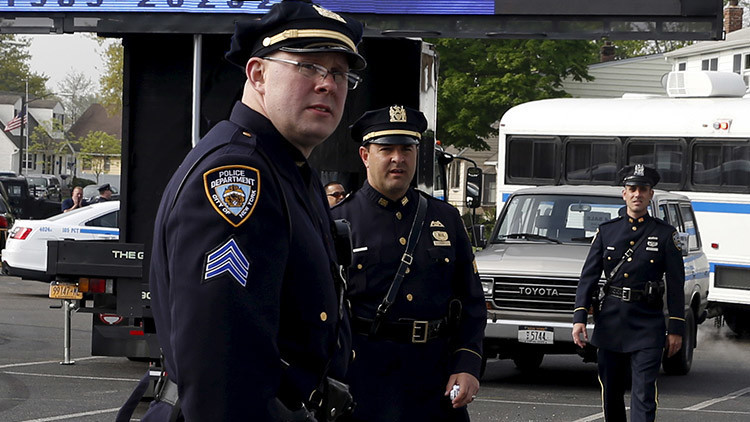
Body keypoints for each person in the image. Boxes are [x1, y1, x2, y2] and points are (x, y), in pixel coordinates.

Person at [133, 1, 365, 420]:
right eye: (309, 66)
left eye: (340, 73)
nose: (328, 84)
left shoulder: (289, 169)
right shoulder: (238, 173)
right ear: (258, 74)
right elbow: (221, 368)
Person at [331, 105, 486, 421]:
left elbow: (471, 300)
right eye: (386, 149)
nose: (397, 159)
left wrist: (467, 363)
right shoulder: (338, 222)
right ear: (365, 155)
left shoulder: (445, 218)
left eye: (406, 149)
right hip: (365, 382)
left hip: (435, 381)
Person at [572, 164, 685, 422]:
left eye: (643, 189)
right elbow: (588, 277)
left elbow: (676, 284)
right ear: (624, 194)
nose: (637, 194)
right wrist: (579, 318)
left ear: (650, 194)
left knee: (644, 393)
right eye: (632, 189)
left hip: (648, 324)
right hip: (611, 323)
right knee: (611, 392)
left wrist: (676, 328)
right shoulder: (607, 231)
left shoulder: (665, 234)